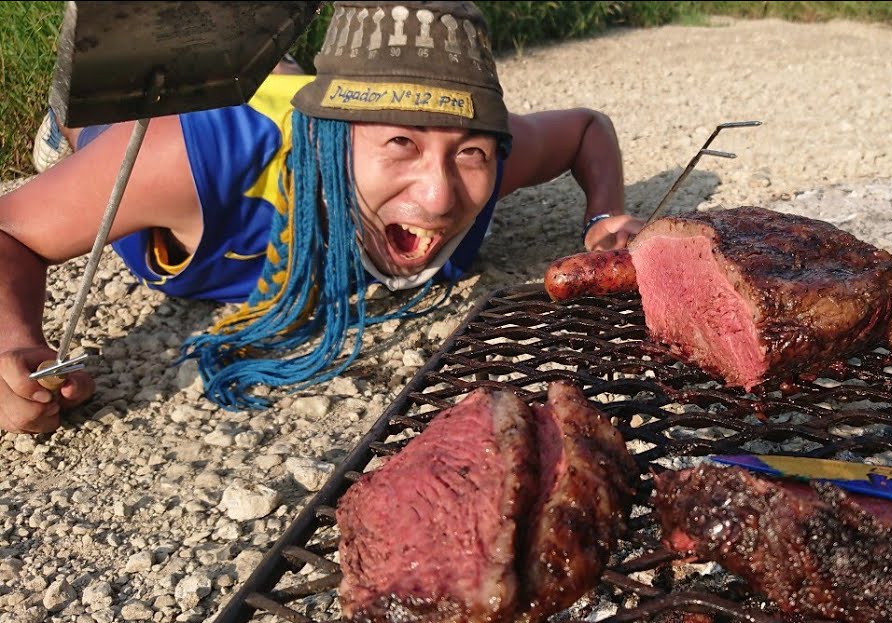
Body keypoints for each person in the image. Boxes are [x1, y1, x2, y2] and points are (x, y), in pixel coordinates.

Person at [0, 0, 643, 435]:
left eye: (469, 151)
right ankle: (60, 129)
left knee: (281, 76)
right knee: (97, 120)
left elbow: (586, 127)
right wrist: (12, 341)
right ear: (332, 144)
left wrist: (604, 214)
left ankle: (295, 80)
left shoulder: (487, 159)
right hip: (143, 116)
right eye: (402, 142)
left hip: (305, 102)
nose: (440, 198)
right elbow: (10, 229)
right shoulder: (201, 158)